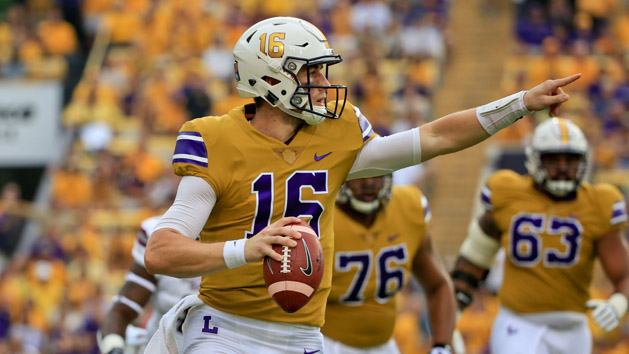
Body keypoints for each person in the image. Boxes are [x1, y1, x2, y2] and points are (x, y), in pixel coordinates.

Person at [143, 16, 580, 354]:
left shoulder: (339, 131)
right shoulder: (214, 138)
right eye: (311, 75)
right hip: (224, 329)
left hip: (304, 337)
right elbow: (161, 251)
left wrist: (520, 104)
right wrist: (247, 248)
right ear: (271, 79)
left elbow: (435, 137)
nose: (324, 85)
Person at [451, 118, 629, 354]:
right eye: (553, 159)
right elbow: (476, 256)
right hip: (518, 322)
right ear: (534, 159)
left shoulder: (599, 203)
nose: (563, 167)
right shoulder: (507, 193)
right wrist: (454, 306)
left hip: (573, 328)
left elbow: (624, 274)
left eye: (570, 160)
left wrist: (619, 302)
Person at [321, 174, 462, 354]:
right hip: (325, 343)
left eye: (377, 172)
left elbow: (438, 285)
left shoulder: (408, 206)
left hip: (385, 346)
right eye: (360, 174)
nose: (369, 182)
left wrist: (441, 346)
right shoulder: (319, 214)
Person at [98, 216, 200, 354]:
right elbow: (121, 311)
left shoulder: (238, 244)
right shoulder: (161, 233)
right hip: (163, 347)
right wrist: (114, 349)